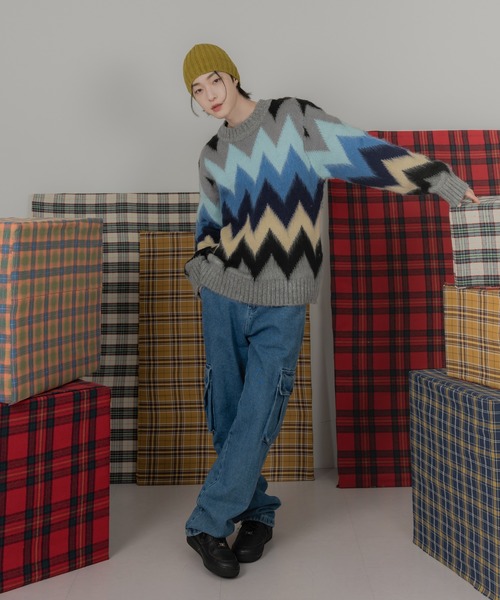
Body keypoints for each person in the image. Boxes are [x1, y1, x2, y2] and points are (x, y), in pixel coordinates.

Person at [181, 43, 479, 579]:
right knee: (227, 412)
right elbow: (208, 226)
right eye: (197, 92)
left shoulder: (293, 120)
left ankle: (206, 523)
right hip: (223, 295)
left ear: (233, 75)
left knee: (260, 411)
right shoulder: (211, 154)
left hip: (283, 297)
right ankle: (257, 513)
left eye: (214, 81)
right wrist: (204, 275)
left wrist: (439, 180)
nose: (209, 97)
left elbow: (363, 153)